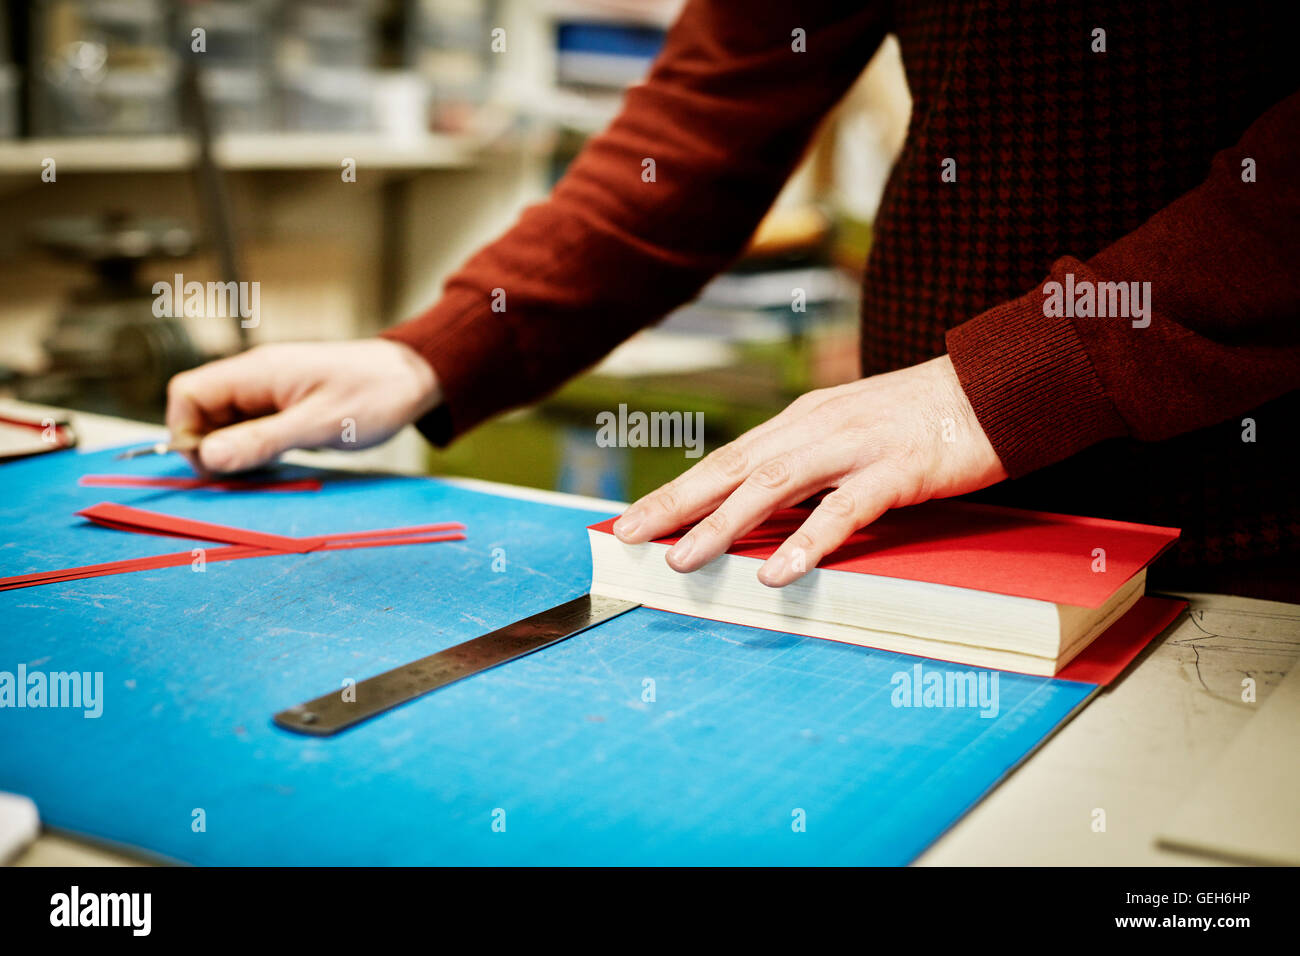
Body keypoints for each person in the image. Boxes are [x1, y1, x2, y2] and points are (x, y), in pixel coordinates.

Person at [165, 1, 1299, 599]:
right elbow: (710, 113)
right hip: (926, 529)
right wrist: (431, 351)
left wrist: (1012, 381)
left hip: (1253, 522)